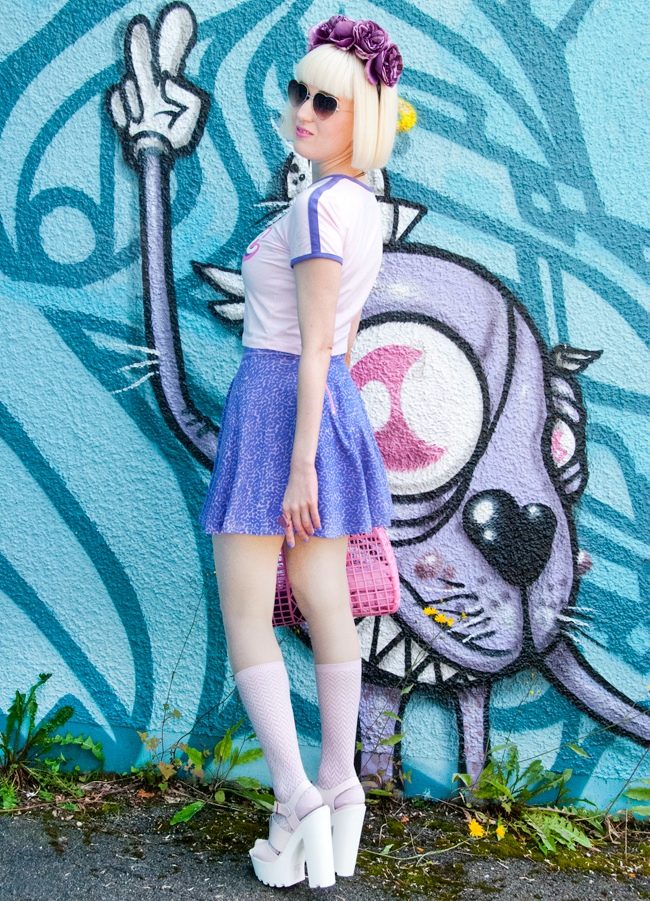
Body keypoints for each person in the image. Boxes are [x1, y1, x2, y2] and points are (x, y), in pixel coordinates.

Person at [198, 14, 403, 890]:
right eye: (300, 92)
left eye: (329, 101)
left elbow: (318, 342)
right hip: (322, 403)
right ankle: (337, 784)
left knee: (247, 608)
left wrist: (297, 464)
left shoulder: (320, 207)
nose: (305, 111)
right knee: (324, 598)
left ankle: (297, 797)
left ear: (364, 116)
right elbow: (339, 341)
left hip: (284, 404)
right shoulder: (362, 205)